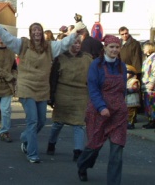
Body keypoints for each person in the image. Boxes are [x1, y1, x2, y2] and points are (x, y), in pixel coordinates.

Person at [0, 12, 85, 163]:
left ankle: (25, 137)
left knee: (41, 121)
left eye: (39, 30)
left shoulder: (49, 47)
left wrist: (74, 33)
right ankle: (32, 153)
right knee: (32, 121)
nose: (37, 32)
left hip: (42, 88)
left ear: (42, 33)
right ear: (30, 33)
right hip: (26, 86)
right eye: (34, 30)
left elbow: (64, 43)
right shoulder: (23, 45)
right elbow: (8, 39)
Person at [77, 35, 127, 184]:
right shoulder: (96, 65)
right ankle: (82, 166)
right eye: (111, 47)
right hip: (99, 111)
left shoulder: (121, 66)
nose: (114, 50)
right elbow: (93, 88)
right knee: (94, 146)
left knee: (117, 149)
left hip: (118, 113)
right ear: (105, 47)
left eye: (117, 47)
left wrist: (121, 105)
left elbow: (122, 88)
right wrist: (101, 107)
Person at [47, 35, 92, 161]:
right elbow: (53, 79)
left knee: (79, 124)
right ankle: (51, 143)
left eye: (78, 43)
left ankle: (78, 152)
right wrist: (51, 96)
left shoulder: (87, 59)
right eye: (74, 43)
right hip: (63, 93)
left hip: (81, 94)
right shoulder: (60, 58)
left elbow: (93, 77)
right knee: (58, 123)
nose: (77, 45)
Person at [141, 42, 155, 129]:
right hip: (146, 84)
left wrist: (152, 83)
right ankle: (151, 120)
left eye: (145, 48)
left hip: (151, 85)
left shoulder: (154, 58)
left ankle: (153, 121)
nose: (143, 49)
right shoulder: (148, 58)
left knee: (152, 103)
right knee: (148, 103)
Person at [125, 64, 140, 129]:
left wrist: (127, 90)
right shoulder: (126, 82)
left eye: (127, 73)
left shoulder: (134, 81)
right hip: (127, 101)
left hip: (133, 100)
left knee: (132, 112)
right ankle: (127, 122)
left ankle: (131, 123)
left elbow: (134, 89)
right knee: (127, 112)